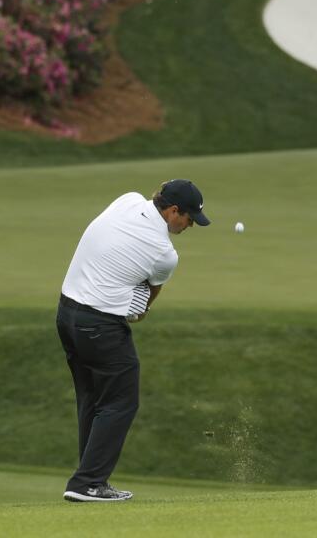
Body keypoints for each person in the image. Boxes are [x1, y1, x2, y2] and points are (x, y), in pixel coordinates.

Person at [56, 179, 210, 502]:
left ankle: (90, 482)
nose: (190, 225)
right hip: (100, 324)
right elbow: (145, 303)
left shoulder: (126, 200)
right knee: (122, 400)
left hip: (66, 314)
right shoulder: (165, 253)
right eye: (189, 218)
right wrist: (138, 305)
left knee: (92, 399)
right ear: (172, 212)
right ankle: (88, 482)